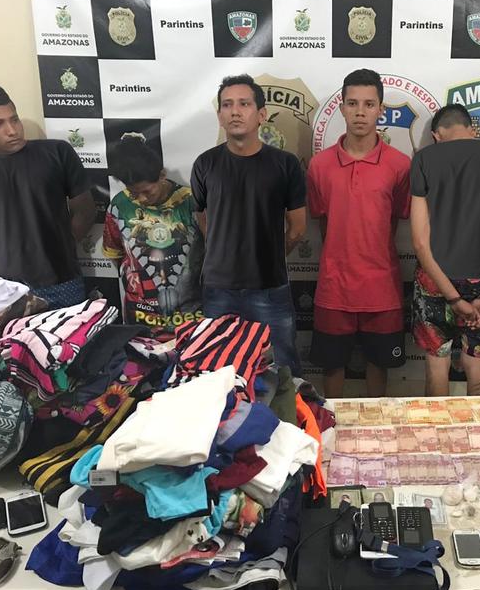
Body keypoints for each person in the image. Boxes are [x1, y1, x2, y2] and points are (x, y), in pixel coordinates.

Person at [191, 74, 306, 376]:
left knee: (283, 372)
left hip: (269, 288)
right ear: (219, 115)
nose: (235, 111)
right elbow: (202, 217)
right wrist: (222, 251)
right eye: (227, 105)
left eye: (244, 104)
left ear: (261, 114)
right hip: (218, 289)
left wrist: (269, 256)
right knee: (217, 374)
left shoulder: (285, 165)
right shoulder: (205, 164)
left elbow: (297, 227)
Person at [307, 69, 410, 398]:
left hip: (382, 287)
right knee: (332, 368)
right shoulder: (320, 165)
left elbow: (395, 219)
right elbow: (323, 220)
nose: (360, 112)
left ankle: (376, 427)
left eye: (369, 104)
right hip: (334, 287)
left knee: (378, 367)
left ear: (381, 109)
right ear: (342, 107)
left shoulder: (400, 165)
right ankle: (331, 425)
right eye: (352, 103)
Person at [0, 84, 96, 308]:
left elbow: (86, 211)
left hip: (61, 279)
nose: (12, 130)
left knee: (72, 331)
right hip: (6, 288)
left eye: (14, 119)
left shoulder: (57, 153)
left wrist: (60, 247)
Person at [410, 104, 480, 396]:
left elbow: (419, 242)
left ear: (436, 135)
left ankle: (437, 427)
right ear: (472, 130)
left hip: (435, 280)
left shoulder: (424, 160)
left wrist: (453, 298)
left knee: (437, 365)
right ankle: (479, 426)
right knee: (476, 361)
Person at [103, 136, 204, 337]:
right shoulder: (119, 206)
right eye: (134, 193)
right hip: (140, 316)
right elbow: (116, 254)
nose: (141, 199)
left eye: (147, 191)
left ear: (162, 175)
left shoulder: (191, 201)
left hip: (191, 315)